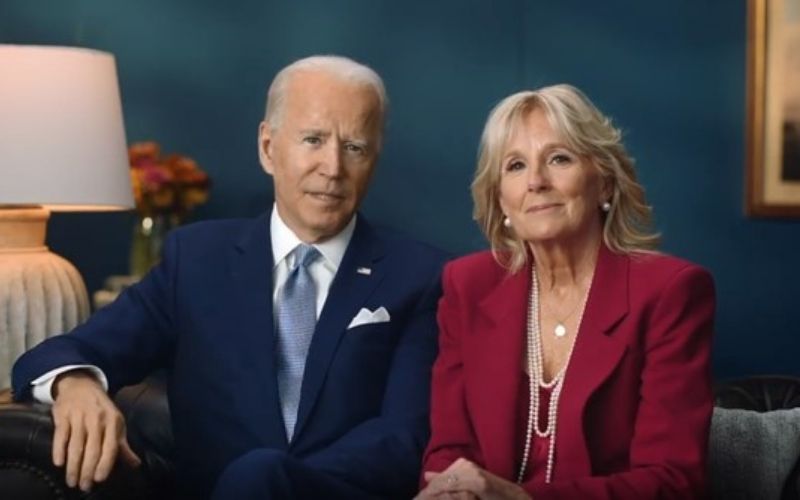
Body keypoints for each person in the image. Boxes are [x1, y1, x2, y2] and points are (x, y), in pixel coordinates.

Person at [12, 55, 447, 499]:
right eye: (313, 140)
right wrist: (76, 384)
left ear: (374, 158)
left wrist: (277, 483)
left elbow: (402, 436)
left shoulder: (420, 275)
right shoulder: (197, 260)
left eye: (354, 147)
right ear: (267, 147)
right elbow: (65, 351)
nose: (333, 167)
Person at [416, 84, 715, 499]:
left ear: (605, 184)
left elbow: (672, 480)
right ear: (501, 200)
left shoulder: (669, 293)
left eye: (559, 158)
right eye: (515, 166)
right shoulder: (467, 285)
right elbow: (449, 449)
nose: (536, 181)